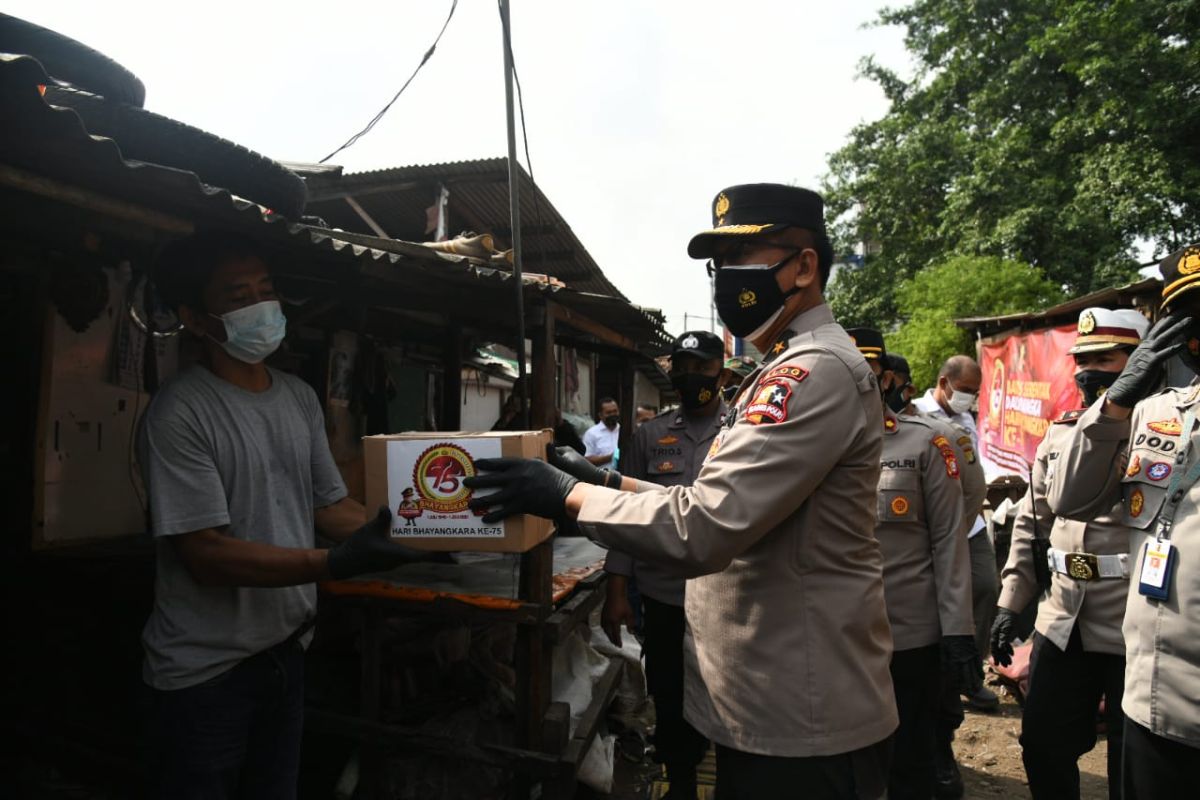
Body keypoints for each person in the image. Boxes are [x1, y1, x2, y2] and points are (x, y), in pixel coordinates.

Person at [466, 184, 897, 800]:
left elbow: (704, 525)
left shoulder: (812, 372)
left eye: (744, 260)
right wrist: (604, 479)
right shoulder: (782, 367)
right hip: (772, 701)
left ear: (804, 266)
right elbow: (711, 494)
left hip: (802, 715)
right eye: (719, 265)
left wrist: (567, 495)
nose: (726, 280)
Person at [138, 231, 425, 799]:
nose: (261, 306)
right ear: (197, 320)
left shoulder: (297, 397)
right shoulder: (180, 413)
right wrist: (337, 562)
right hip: (204, 675)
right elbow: (207, 556)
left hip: (287, 655)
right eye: (238, 295)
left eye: (265, 289)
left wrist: (422, 530)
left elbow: (331, 506)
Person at [1047, 244, 1200, 800]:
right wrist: (1115, 405)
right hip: (1152, 696)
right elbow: (1068, 497)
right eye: (1190, 319)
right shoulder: (1158, 413)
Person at [991, 307, 1149, 799]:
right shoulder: (1061, 433)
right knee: (1043, 744)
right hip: (1063, 619)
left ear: (1138, 363)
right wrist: (1010, 603)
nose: (1089, 370)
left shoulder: (1162, 431)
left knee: (1132, 760)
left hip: (1131, 621)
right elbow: (1031, 524)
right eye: (1082, 357)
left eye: (1105, 357)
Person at [848, 330, 978, 800]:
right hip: (834, 637)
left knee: (910, 763)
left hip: (907, 635)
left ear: (884, 378)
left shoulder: (928, 443)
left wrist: (958, 629)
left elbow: (949, 540)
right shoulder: (807, 447)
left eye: (866, 373)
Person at [602, 330, 731, 799]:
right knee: (670, 692)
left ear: (722, 372)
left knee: (726, 691)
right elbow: (625, 519)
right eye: (682, 367)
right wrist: (617, 591)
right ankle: (679, 780)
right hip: (663, 596)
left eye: (701, 366)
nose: (690, 376)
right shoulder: (651, 436)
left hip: (726, 596)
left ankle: (723, 771)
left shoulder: (742, 432)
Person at [915, 354, 1000, 712]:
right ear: (943, 382)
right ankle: (940, 678)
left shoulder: (967, 418)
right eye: (964, 390)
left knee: (985, 586)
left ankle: (970, 674)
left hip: (971, 520)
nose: (969, 397)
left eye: (975, 392)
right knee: (934, 598)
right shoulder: (916, 414)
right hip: (932, 523)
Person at [583, 397, 621, 467]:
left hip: (625, 476)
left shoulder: (623, 431)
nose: (613, 414)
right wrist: (611, 457)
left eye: (615, 411)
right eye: (609, 413)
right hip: (601, 476)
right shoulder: (591, 433)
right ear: (600, 415)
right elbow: (586, 460)